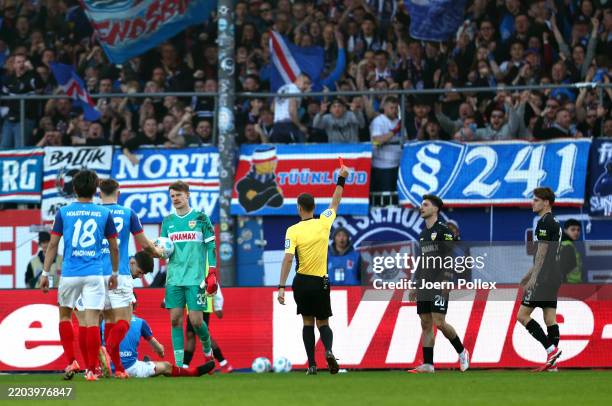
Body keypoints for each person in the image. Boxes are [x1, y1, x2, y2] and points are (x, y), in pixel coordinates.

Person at [39, 170, 119, 381]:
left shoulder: (63, 212)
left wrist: (45, 273)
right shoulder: (104, 213)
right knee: (92, 321)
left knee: (65, 316)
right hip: (94, 274)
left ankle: (71, 361)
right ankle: (91, 371)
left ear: (74, 189)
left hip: (70, 274)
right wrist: (115, 272)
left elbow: (53, 245)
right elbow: (114, 247)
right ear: (96, 190)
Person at [277, 163, 350, 375]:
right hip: (321, 281)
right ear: (314, 208)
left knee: (307, 322)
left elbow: (288, 259)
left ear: (299, 208)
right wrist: (341, 178)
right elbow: (335, 202)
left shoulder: (292, 230)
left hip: (301, 282)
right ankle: (328, 350)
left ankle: (311, 364)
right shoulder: (323, 223)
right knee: (323, 322)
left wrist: (281, 286)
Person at [98, 179, 163, 378]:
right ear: (118, 192)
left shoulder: (93, 212)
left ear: (100, 193)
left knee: (98, 320)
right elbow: (144, 244)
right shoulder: (128, 213)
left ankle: (104, 367)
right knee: (125, 319)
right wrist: (158, 252)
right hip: (119, 273)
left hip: (94, 274)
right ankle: (108, 351)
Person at [408, 194, 470, 373]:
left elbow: (450, 257)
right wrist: (415, 284)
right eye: (421, 205)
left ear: (435, 209)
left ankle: (462, 351)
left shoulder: (444, 230)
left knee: (440, 322)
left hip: (439, 282)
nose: (422, 207)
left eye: (425, 205)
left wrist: (446, 279)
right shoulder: (422, 234)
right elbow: (422, 260)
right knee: (425, 323)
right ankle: (428, 364)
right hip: (424, 284)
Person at [161, 181, 218, 368]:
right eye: (172, 196)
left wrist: (212, 272)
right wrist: (157, 251)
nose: (175, 199)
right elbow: (163, 249)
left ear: (188, 195)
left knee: (196, 321)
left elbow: (211, 245)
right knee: (175, 319)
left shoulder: (201, 218)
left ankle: (207, 348)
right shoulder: (168, 222)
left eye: (178, 195)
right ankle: (178, 366)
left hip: (196, 280)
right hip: (174, 279)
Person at [105, 295, 215, 378]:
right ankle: (194, 372)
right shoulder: (140, 322)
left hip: (108, 368)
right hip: (130, 368)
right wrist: (160, 350)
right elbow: (159, 348)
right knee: (166, 366)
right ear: (133, 305)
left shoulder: (105, 323)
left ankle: (94, 370)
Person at [517, 187, 562, 372]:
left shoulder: (543, 222)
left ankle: (551, 350)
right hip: (554, 276)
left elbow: (542, 253)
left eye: (536, 200)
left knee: (522, 315)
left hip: (543, 277)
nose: (532, 203)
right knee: (550, 318)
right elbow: (544, 255)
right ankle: (553, 365)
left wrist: (533, 278)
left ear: (546, 202)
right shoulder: (555, 222)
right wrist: (527, 275)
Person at [183, 286, 233, 373]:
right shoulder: (187, 273)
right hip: (191, 305)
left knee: (204, 335)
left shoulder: (207, 272)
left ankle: (223, 363)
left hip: (203, 305)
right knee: (190, 334)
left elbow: (215, 286)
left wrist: (218, 307)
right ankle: (185, 366)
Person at [370, 97, 401, 199]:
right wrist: (394, 131)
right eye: (391, 108)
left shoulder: (399, 122)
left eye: (396, 108)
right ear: (385, 108)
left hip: (398, 165)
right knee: (384, 197)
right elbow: (377, 141)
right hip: (382, 166)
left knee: (396, 197)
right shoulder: (378, 121)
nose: (394, 110)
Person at [270, 73, 311, 143]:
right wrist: (300, 126)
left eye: (308, 84)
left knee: (281, 152)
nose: (306, 86)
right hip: (288, 126)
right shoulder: (296, 90)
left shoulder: (281, 88)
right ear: (299, 79)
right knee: (295, 151)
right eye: (305, 83)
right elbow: (292, 111)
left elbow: (272, 108)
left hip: (277, 126)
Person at [560, 219, 582, 284]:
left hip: (569, 283)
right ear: (565, 231)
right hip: (569, 283)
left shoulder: (564, 243)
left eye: (578, 230)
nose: (576, 232)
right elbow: (562, 268)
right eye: (573, 229)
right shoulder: (568, 245)